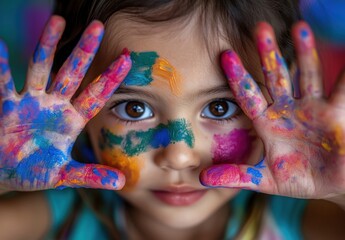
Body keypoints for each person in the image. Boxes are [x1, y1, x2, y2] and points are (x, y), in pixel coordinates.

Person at [1, 0, 345, 239]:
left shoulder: (310, 223)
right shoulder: (54, 214)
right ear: (73, 104)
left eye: (222, 108)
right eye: (135, 109)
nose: (179, 155)